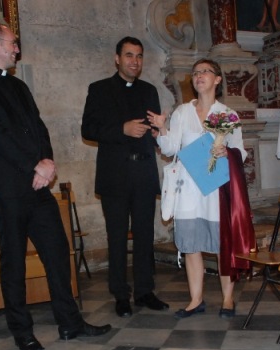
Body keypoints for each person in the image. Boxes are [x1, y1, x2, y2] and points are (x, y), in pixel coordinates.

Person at [0, 23, 111, 350]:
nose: (17, 49)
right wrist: (35, 165)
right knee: (14, 262)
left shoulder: (18, 86)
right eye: (13, 43)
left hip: (38, 186)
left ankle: (70, 323)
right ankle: (22, 331)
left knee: (58, 253)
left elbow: (39, 128)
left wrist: (48, 163)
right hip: (8, 188)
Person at [148, 59, 255, 319]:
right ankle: (196, 300)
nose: (199, 76)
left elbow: (241, 152)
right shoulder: (182, 112)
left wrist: (227, 152)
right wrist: (162, 128)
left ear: (217, 79)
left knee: (221, 243)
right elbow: (170, 149)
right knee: (191, 244)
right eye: (195, 73)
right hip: (188, 189)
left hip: (215, 188)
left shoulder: (227, 114)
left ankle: (227, 298)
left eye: (205, 71)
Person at [82, 36, 169, 318]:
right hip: (115, 175)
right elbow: (88, 129)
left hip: (143, 172)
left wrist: (157, 132)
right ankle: (120, 294)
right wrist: (122, 129)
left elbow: (154, 130)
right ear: (117, 58)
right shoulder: (99, 89)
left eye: (139, 56)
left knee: (144, 235)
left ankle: (144, 291)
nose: (135, 61)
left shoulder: (149, 90)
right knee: (117, 236)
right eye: (129, 55)